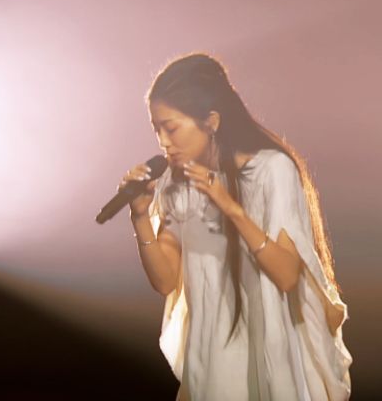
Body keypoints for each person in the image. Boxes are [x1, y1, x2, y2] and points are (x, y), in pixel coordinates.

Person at [121, 53, 352, 400]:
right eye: (157, 130)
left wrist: (230, 207)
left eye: (171, 128)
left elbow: (287, 275)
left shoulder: (272, 171)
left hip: (267, 343)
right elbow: (166, 281)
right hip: (212, 352)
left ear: (211, 121)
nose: (163, 142)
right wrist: (140, 218)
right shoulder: (175, 183)